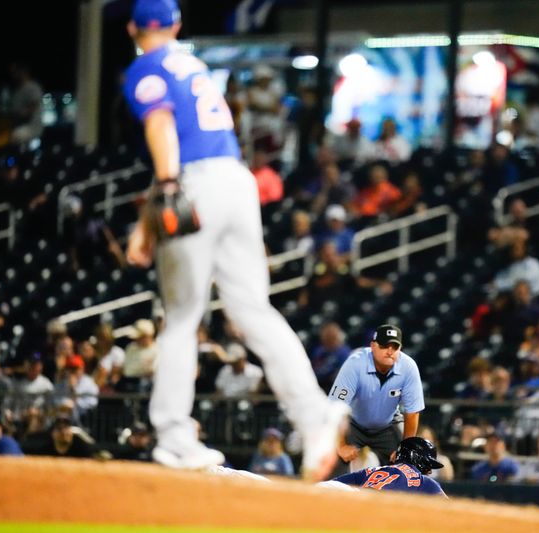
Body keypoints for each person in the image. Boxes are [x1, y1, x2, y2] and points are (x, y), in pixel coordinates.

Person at [121, 0, 348, 475]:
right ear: (178, 24)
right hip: (235, 180)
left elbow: (161, 125)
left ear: (132, 29)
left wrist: (164, 191)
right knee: (253, 311)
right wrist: (147, 222)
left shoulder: (146, 65)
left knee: (182, 317)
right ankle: (314, 416)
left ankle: (175, 437)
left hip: (194, 183)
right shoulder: (196, 64)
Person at [330, 325, 424, 466]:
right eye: (384, 346)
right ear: (373, 346)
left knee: (406, 464)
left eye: (395, 347)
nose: (389, 351)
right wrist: (341, 445)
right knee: (333, 457)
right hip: (354, 424)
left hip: (387, 425)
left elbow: (412, 412)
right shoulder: (355, 363)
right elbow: (336, 407)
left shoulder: (408, 367)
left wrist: (405, 448)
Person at [332, 436, 446, 496]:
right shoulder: (424, 481)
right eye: (428, 465)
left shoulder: (372, 471)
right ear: (416, 459)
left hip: (358, 499)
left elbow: (333, 484)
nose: (430, 471)